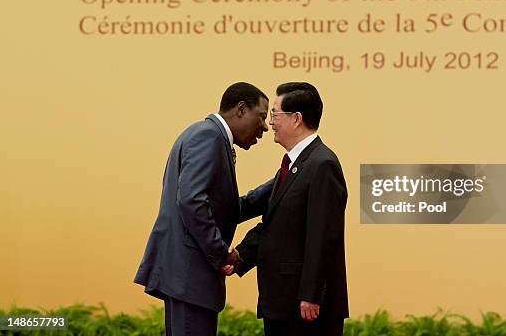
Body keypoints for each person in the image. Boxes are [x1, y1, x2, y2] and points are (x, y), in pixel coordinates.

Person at [134, 82, 274, 336]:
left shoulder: (204, 134)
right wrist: (221, 254)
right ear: (241, 109)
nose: (265, 126)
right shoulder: (209, 137)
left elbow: (224, 208)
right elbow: (191, 202)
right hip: (190, 277)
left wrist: (279, 185)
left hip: (186, 278)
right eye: (262, 117)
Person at [226, 82, 349, 336]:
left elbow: (324, 236)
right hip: (283, 304)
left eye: (274, 114)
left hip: (306, 309)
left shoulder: (322, 164)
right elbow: (276, 226)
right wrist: (240, 257)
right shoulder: (295, 165)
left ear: (296, 119)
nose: (270, 122)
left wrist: (311, 295)